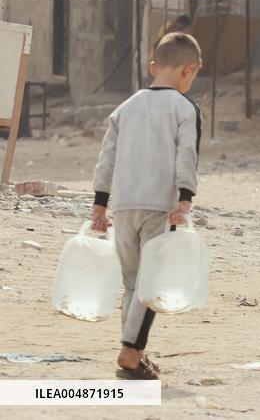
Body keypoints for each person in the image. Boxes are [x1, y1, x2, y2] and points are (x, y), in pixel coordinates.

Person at [89, 32, 203, 380]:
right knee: (149, 282)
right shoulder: (185, 108)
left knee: (133, 282)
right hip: (159, 207)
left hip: (122, 207)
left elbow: (106, 156)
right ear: (190, 71)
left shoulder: (125, 107)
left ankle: (136, 351)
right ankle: (129, 352)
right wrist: (185, 198)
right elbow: (187, 153)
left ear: (153, 66)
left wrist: (99, 203)